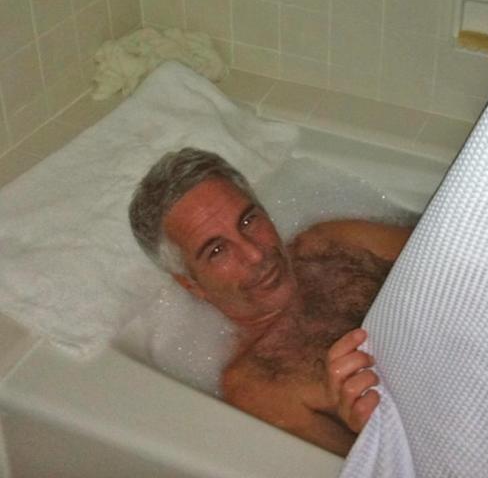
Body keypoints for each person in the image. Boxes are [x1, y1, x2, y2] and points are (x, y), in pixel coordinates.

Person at [129, 148, 412, 456]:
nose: (254, 254)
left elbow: (449, 261)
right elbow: (357, 465)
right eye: (217, 251)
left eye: (248, 220)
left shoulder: (333, 240)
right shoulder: (257, 384)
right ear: (191, 285)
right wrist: (370, 431)